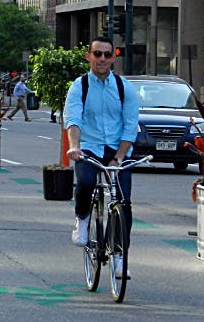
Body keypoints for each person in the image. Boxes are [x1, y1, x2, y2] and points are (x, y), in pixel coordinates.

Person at [63, 36, 139, 277]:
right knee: (85, 182)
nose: (102, 59)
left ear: (113, 58)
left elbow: (130, 126)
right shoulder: (80, 86)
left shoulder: (124, 87)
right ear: (89, 57)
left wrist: (119, 158)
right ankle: (82, 218)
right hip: (89, 147)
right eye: (97, 54)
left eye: (107, 54)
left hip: (118, 149)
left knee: (123, 203)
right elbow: (73, 119)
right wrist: (75, 146)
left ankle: (119, 257)